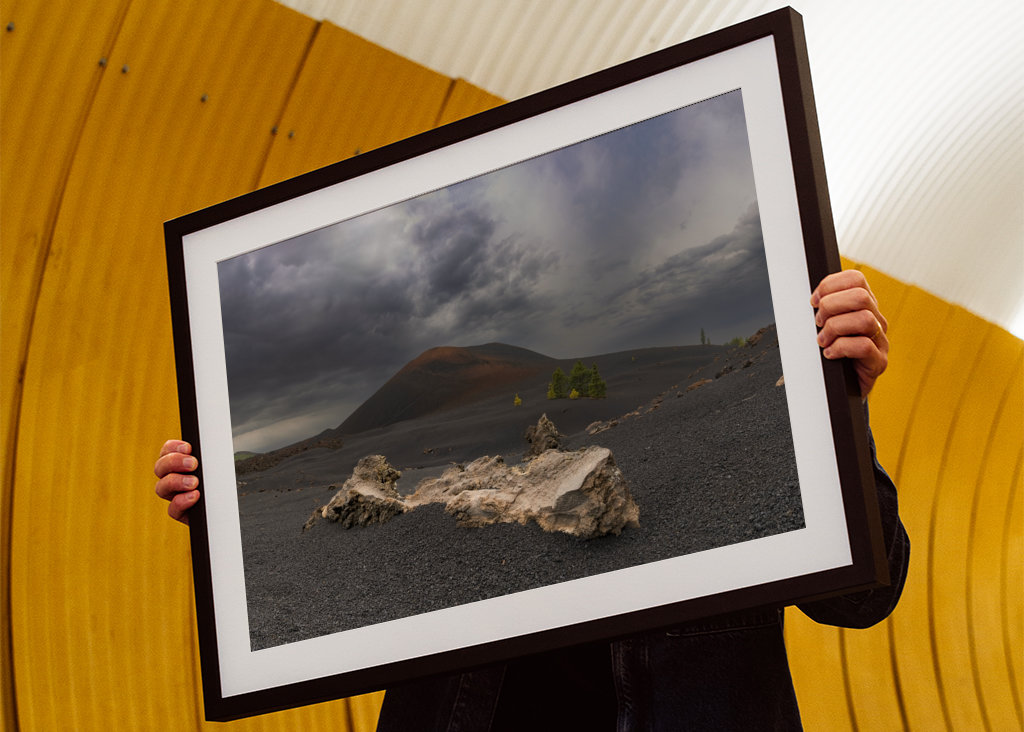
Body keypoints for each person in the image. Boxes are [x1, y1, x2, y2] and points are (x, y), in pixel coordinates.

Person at [155, 269, 908, 731]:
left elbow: (864, 597)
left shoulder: (774, 406)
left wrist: (838, 408)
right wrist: (223, 513)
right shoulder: (473, 501)